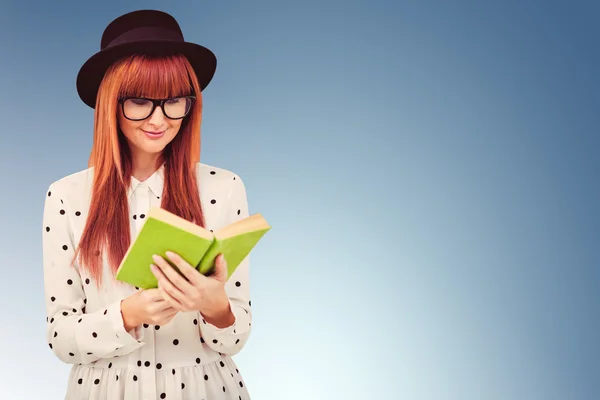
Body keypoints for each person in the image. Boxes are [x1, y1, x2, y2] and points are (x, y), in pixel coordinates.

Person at [42, 10, 253, 400]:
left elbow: (236, 338)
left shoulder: (224, 188)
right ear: (111, 103)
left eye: (174, 101)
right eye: (139, 101)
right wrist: (128, 315)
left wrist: (215, 306)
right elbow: (60, 337)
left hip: (206, 389)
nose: (159, 119)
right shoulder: (66, 196)